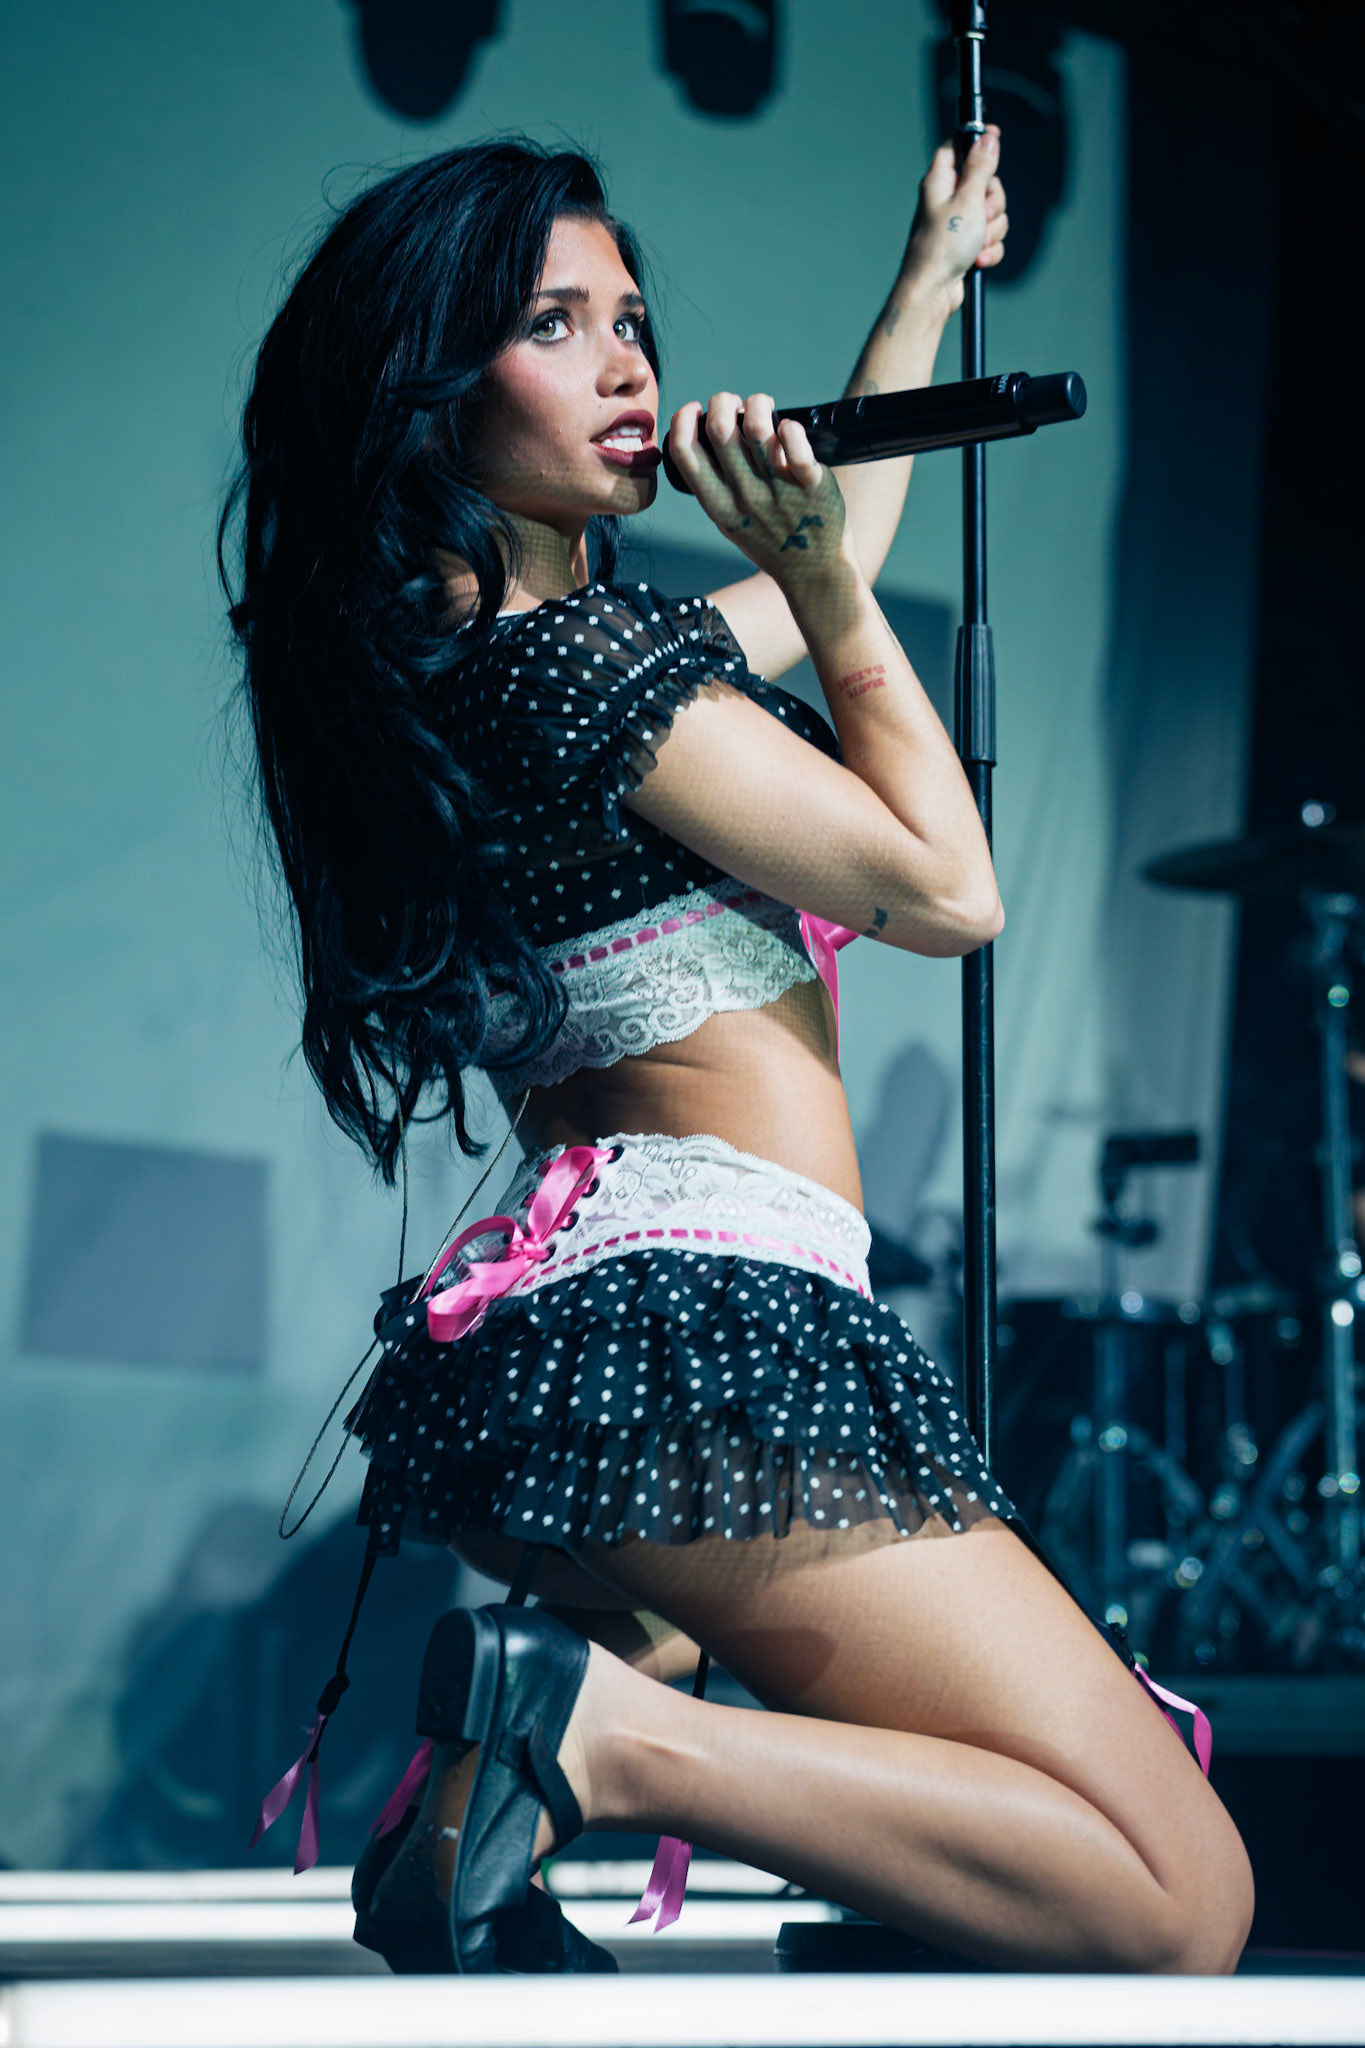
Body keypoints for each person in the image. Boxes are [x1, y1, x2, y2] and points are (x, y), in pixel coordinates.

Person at [221, 130, 1254, 1976]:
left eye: (632, 317)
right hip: (703, 1318)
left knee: (1014, 1850)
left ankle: (475, 1817)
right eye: (556, 323)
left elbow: (829, 540)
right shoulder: (565, 667)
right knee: (1177, 1900)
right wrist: (845, 611)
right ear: (430, 384)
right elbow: (947, 887)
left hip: (600, 1325)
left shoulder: (506, 649)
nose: (628, 362)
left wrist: (922, 282)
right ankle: (608, 1743)